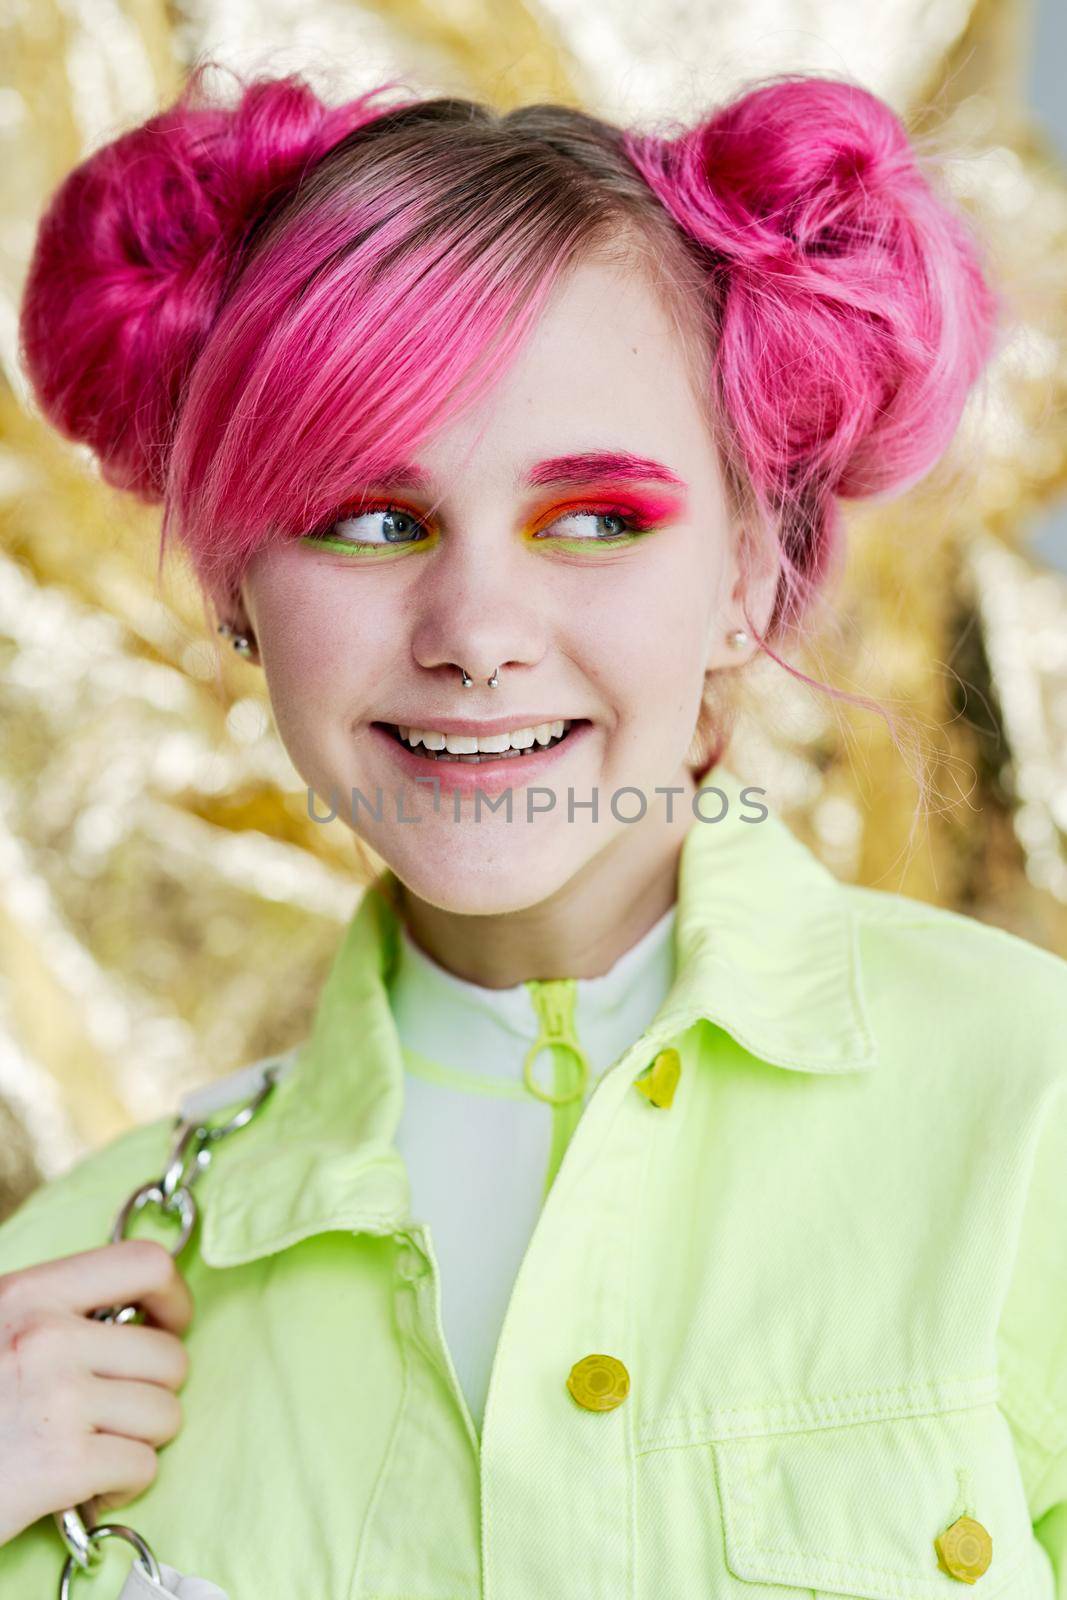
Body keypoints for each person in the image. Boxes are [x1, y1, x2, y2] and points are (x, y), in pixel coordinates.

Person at [1, 57, 1065, 1600]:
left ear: (754, 574)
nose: (478, 630)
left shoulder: (1033, 1110)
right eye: (372, 518)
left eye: (597, 518)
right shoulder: (72, 1288)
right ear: (239, 593)